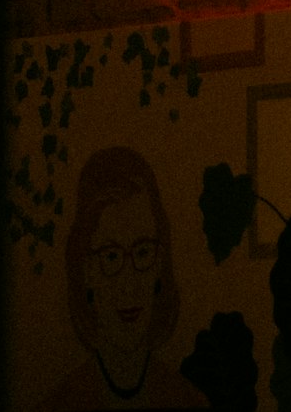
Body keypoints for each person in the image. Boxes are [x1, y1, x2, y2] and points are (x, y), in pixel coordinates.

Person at [35, 146, 208, 410]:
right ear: (87, 270)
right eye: (111, 256)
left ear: (159, 265)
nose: (129, 282)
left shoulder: (188, 402)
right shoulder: (60, 405)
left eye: (142, 252)